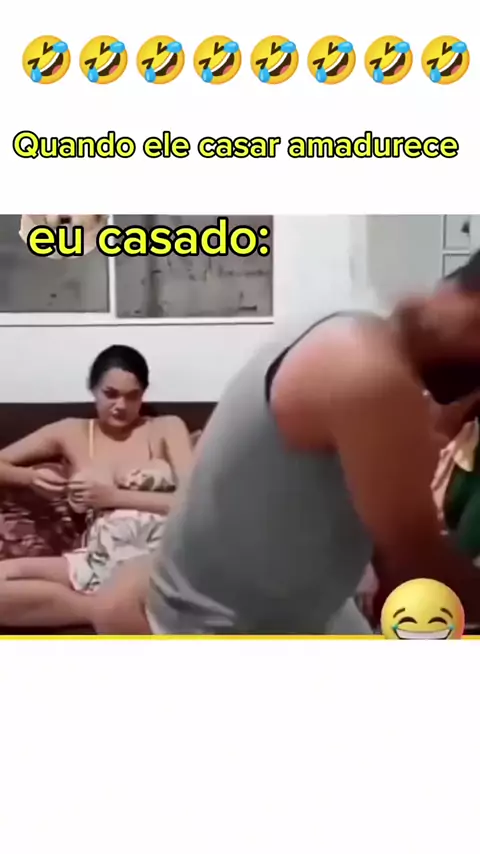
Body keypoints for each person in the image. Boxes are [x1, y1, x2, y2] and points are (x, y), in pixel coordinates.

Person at [92, 250, 480, 635]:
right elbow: (418, 569)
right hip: (223, 631)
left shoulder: (346, 330)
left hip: (306, 612)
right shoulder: (367, 373)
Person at [0, 345, 193, 629]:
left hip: (155, 556)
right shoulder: (71, 431)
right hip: (98, 557)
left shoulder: (166, 427)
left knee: (135, 584)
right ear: (93, 390)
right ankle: (97, 610)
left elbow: (192, 503)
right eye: (110, 394)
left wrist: (113, 496)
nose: (121, 405)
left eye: (132, 396)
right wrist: (29, 478)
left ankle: (112, 606)